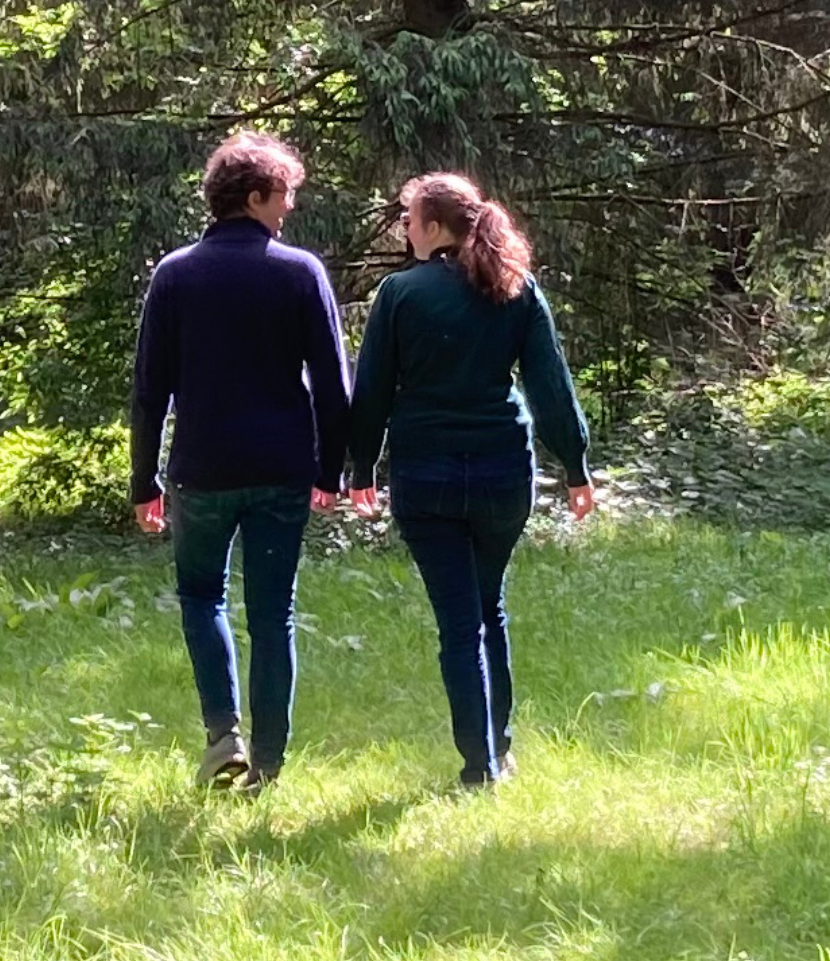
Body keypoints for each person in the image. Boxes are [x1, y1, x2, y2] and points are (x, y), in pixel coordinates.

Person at [345, 171, 594, 788]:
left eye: (409, 220)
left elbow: (372, 390)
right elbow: (551, 387)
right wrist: (575, 467)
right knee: (489, 608)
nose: (405, 231)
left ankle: (478, 764)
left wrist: (361, 467)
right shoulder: (516, 288)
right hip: (502, 472)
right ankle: (498, 748)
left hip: (425, 475)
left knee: (460, 623)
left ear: (433, 227)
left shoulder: (399, 293)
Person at [129, 131, 350, 791]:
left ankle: (224, 733)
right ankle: (269, 765)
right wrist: (330, 471)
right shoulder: (300, 272)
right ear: (254, 196)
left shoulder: (175, 275)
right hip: (282, 468)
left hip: (202, 469)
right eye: (284, 194)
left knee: (202, 598)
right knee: (273, 613)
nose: (289, 207)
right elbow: (333, 385)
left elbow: (149, 390)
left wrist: (144, 481)